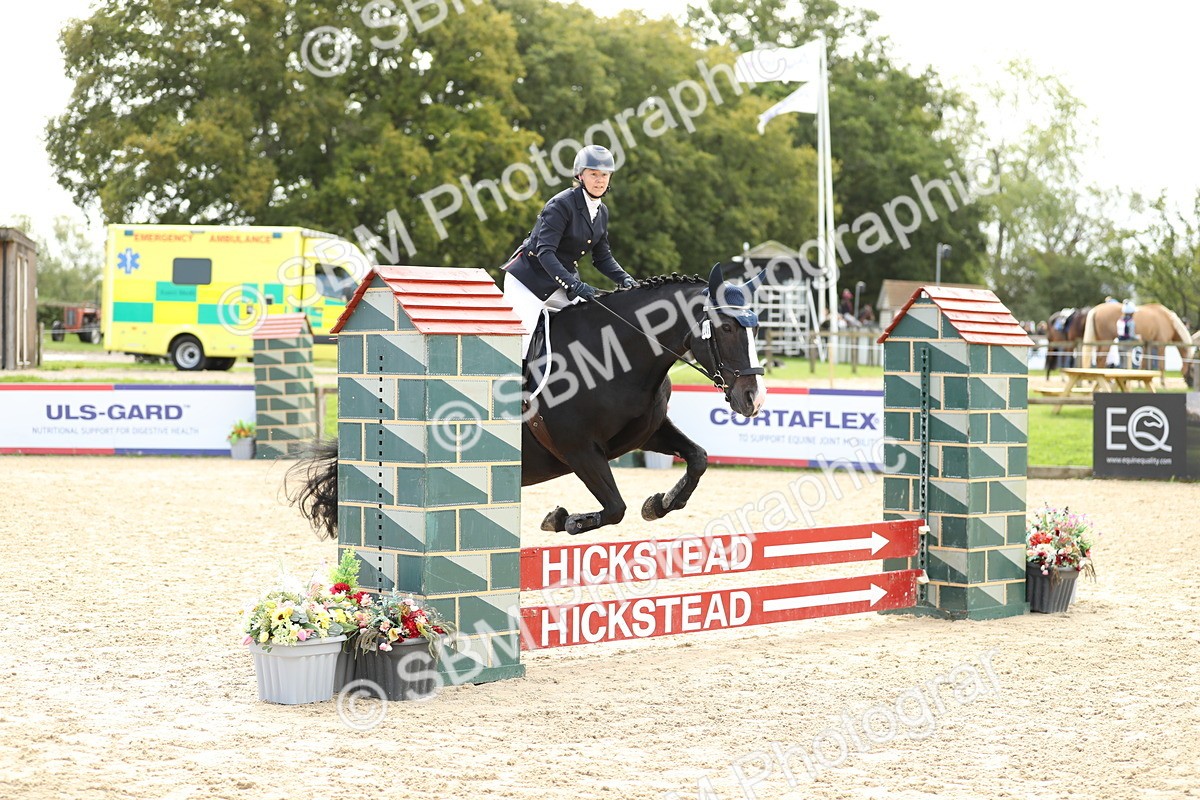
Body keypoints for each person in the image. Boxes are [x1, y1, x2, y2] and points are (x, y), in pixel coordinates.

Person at [502, 144, 635, 356]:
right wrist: (574, 284)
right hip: (528, 282)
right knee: (520, 345)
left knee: (594, 324)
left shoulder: (601, 212)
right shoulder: (561, 205)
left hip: (559, 284)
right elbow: (545, 252)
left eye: (604, 175)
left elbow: (602, 258)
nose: (600, 180)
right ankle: (514, 386)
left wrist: (625, 279)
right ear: (580, 176)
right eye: (593, 174)